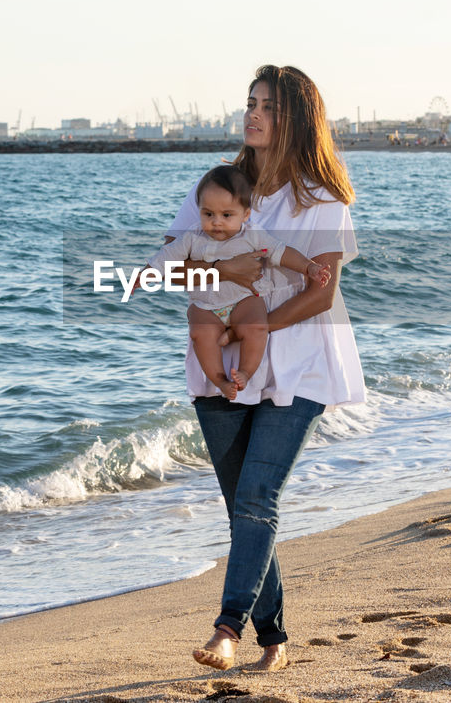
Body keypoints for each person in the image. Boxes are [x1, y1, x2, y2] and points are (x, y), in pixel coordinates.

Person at [164, 65, 364, 673]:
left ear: (297, 119)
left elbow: (321, 294)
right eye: (250, 103)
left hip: (299, 362)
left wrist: (256, 326)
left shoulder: (324, 200)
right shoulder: (221, 188)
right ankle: (273, 636)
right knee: (243, 506)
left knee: (257, 494)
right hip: (221, 366)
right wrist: (227, 279)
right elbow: (173, 270)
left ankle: (227, 628)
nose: (253, 114)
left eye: (268, 106)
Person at [142, 165, 331, 400]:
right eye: (208, 214)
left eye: (226, 215)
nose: (216, 222)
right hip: (206, 305)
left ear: (245, 214)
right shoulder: (191, 238)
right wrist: (146, 274)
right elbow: (166, 257)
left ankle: (245, 371)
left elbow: (281, 252)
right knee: (200, 332)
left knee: (257, 326)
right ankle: (219, 380)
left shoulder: (252, 235)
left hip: (244, 300)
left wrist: (309, 267)